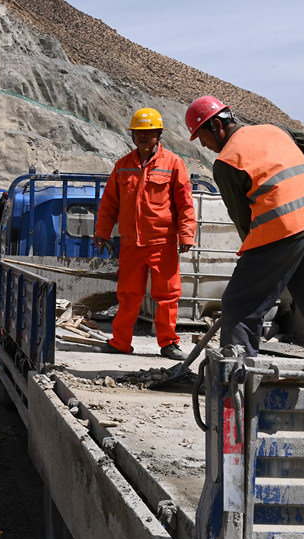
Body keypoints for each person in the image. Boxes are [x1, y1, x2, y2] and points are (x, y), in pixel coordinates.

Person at [185, 96, 304, 359]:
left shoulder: (227, 162)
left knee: (240, 305)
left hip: (280, 231)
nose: (203, 144)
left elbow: (244, 221)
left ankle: (236, 374)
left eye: (201, 136)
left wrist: (254, 265)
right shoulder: (275, 130)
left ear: (216, 125)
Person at [94, 107, 196, 360]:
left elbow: (185, 202)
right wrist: (102, 231)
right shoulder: (122, 166)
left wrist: (186, 234)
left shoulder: (173, 163)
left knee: (167, 296)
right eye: (138, 132)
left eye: (148, 132)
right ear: (132, 135)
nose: (143, 136)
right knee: (128, 296)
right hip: (131, 244)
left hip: (163, 243)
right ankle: (120, 342)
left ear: (159, 134)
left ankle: (169, 343)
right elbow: (109, 204)